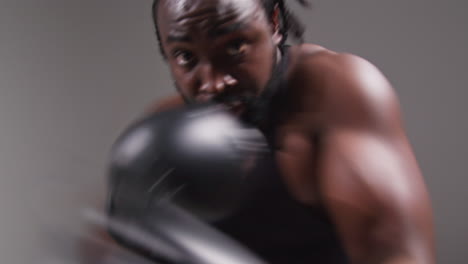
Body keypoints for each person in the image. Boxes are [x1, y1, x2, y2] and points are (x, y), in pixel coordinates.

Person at [111, 0, 436, 263]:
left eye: (235, 46)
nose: (213, 83)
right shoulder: (167, 126)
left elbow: (398, 255)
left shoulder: (335, 93)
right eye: (186, 57)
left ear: (274, 24)